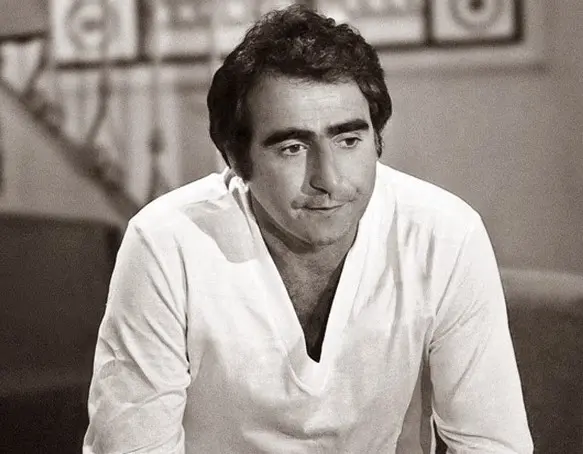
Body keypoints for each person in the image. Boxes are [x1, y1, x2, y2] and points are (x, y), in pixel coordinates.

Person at [83, 4, 533, 453]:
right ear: (236, 158)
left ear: (377, 139)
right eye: (293, 147)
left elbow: (492, 445)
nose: (329, 180)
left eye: (349, 140)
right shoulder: (166, 244)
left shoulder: (445, 236)